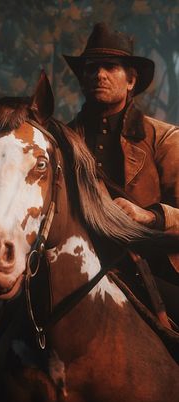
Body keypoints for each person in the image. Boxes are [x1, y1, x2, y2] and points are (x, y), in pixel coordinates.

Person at [63, 22, 179, 320]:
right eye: (91, 68)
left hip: (154, 269)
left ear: (131, 80)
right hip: (73, 268)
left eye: (110, 66)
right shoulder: (60, 143)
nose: (99, 74)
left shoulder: (164, 138)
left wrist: (150, 216)